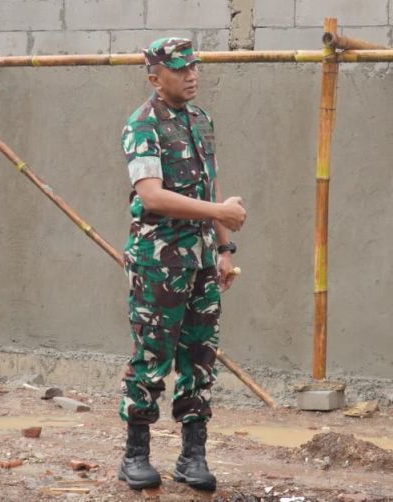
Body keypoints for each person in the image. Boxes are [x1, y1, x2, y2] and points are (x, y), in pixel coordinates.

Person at [117, 37, 247, 492]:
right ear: (155, 77)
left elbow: (210, 189)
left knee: (200, 357)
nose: (191, 75)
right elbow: (151, 195)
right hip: (159, 261)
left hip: (200, 260)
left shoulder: (200, 120)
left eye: (193, 67)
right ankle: (136, 453)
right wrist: (219, 216)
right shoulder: (142, 125)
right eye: (180, 69)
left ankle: (193, 455)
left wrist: (224, 250)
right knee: (152, 357)